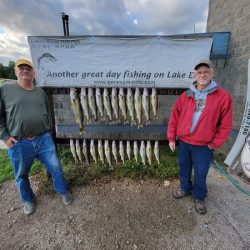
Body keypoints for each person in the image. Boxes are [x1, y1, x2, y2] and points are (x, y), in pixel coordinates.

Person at [0, 59, 73, 215]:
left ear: (33, 73)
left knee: (56, 167)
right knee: (21, 174)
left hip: (43, 138)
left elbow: (47, 112)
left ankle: (63, 191)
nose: (25, 70)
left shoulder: (40, 92)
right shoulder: (5, 90)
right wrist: (4, 137)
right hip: (19, 141)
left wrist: (47, 130)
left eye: (28, 68)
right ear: (15, 71)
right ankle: (27, 199)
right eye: (21, 67)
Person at [167, 59, 233, 214]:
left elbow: (225, 125)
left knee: (201, 172)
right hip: (184, 142)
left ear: (212, 73)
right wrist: (171, 137)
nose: (202, 75)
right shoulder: (186, 95)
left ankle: (199, 196)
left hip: (204, 145)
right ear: (194, 75)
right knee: (183, 168)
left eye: (206, 71)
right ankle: (185, 188)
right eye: (199, 72)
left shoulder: (223, 97)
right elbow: (174, 117)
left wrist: (213, 144)